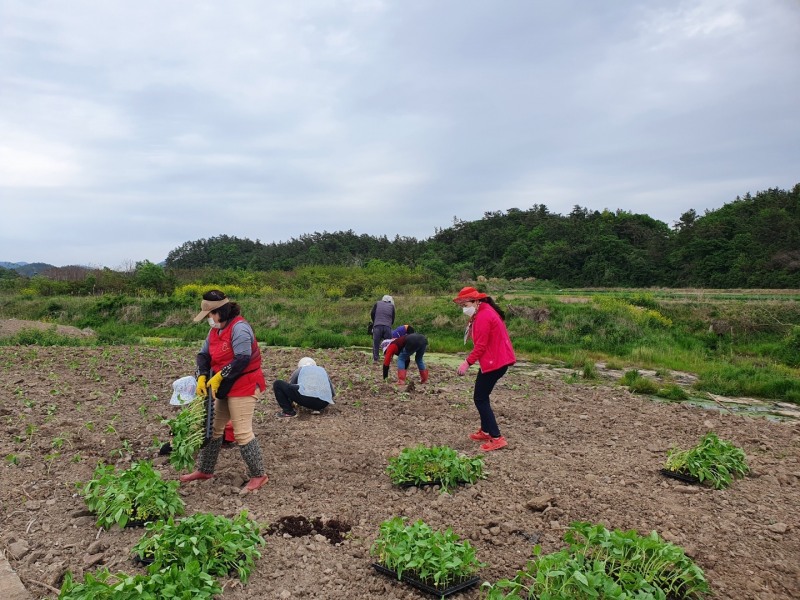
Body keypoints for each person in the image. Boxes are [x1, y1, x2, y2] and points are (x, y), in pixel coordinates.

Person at [179, 289, 270, 494]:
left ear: (220, 311)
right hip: (225, 386)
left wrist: (220, 375)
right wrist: (202, 375)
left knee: (241, 431)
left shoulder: (240, 328)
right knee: (214, 428)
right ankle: (205, 470)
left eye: (211, 314)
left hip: (244, 384)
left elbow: (243, 358)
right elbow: (203, 355)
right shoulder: (215, 331)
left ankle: (259, 475)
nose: (209, 319)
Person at [453, 286, 516, 452]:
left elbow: (480, 346)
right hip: (496, 361)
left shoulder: (483, 317)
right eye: (462, 306)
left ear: (476, 301)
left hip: (494, 363)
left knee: (480, 398)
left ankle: (496, 437)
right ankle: (486, 430)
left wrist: (467, 363)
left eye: (465, 304)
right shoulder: (483, 312)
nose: (464, 308)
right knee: (482, 396)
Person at [370, 295, 395, 362]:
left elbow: (372, 313)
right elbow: (393, 317)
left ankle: (376, 359)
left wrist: (374, 322)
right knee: (388, 343)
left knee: (376, 343)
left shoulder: (377, 303)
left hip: (377, 326)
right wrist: (389, 324)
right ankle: (388, 358)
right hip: (387, 327)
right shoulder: (392, 306)